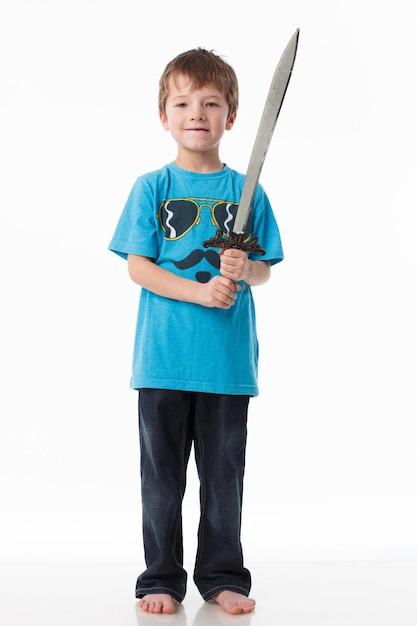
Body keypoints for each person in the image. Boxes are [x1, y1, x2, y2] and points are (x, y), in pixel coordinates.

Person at [108, 47, 284, 615]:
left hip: (226, 364)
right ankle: (159, 578)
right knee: (161, 481)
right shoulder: (151, 188)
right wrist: (201, 290)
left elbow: (264, 270)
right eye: (182, 102)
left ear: (231, 116)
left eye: (211, 103)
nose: (196, 113)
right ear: (164, 115)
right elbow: (140, 266)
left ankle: (221, 576)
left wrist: (243, 269)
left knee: (222, 480)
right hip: (162, 360)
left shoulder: (246, 193)